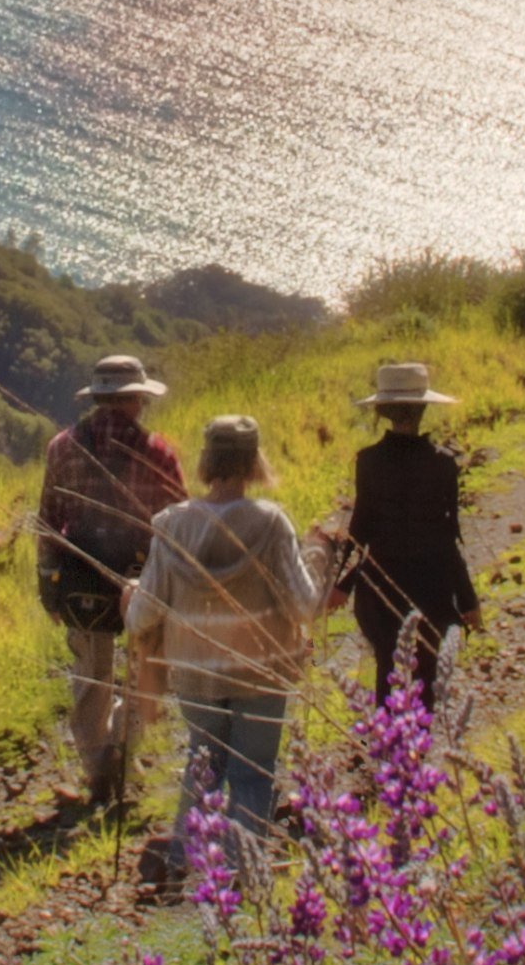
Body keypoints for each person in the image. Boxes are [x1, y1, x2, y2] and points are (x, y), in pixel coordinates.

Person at [125, 413, 326, 886]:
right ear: (255, 462)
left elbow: (142, 617)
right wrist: (318, 562)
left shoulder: (171, 526)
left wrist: (131, 595)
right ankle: (244, 876)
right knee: (254, 774)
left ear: (207, 460)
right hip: (261, 670)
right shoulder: (271, 524)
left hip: (195, 672)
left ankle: (180, 861)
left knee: (204, 763)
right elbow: (304, 606)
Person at [37, 355, 184, 805]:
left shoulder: (62, 448)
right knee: (145, 674)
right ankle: (123, 753)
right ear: (138, 400)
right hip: (142, 578)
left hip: (80, 577)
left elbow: (48, 521)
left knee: (91, 676)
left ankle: (97, 766)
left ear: (97, 398)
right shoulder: (158, 452)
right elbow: (178, 521)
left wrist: (47, 582)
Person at [342, 361, 482, 703]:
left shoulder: (369, 461)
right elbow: (448, 537)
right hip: (432, 584)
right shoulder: (443, 463)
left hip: (381, 586)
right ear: (423, 410)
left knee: (388, 667)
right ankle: (415, 750)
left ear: (383, 411)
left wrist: (340, 585)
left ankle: (386, 746)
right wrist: (467, 600)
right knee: (425, 673)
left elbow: (361, 529)